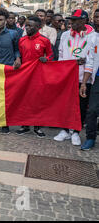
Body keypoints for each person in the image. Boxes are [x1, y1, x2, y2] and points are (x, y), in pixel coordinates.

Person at [55, 9, 96, 146]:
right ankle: (65, 130)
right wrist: (63, 72)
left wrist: (84, 82)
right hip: (67, 77)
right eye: (71, 20)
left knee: (81, 106)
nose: (71, 22)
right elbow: (61, 55)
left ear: (84, 21)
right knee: (65, 104)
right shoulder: (66, 35)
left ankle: (76, 132)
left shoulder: (94, 37)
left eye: (75, 20)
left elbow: (91, 61)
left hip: (83, 79)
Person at [15, 17, 53, 138]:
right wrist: (18, 59)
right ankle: (25, 125)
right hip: (24, 74)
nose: (27, 28)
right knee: (24, 99)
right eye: (26, 25)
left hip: (38, 75)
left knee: (37, 101)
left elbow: (52, 55)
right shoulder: (21, 40)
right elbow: (19, 53)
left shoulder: (44, 40)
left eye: (30, 26)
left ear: (38, 27)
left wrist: (46, 59)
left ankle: (37, 126)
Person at [80, 29, 99, 151]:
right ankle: (90, 138)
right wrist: (84, 83)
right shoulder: (95, 38)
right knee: (92, 110)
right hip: (97, 79)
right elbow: (90, 62)